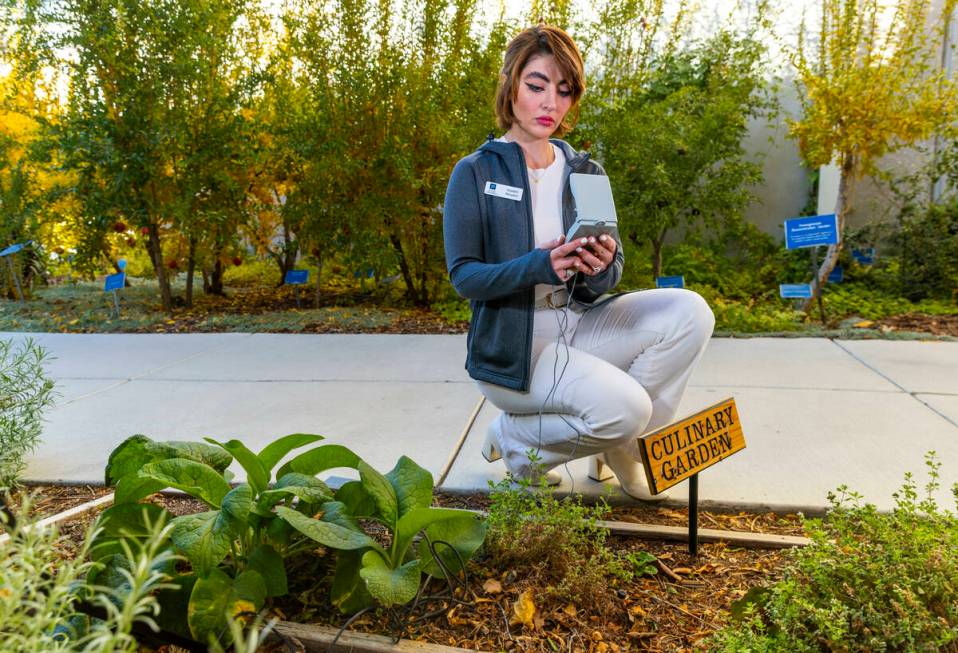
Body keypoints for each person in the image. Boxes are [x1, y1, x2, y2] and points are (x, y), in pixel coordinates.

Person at [442, 24, 715, 501]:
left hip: (580, 327)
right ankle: (516, 440)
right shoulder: (476, 171)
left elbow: (607, 278)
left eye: (564, 91)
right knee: (627, 408)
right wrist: (540, 265)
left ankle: (622, 450)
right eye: (537, 85)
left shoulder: (586, 171)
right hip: (516, 352)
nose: (551, 103)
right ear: (510, 85)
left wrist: (600, 263)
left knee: (691, 312)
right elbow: (465, 277)